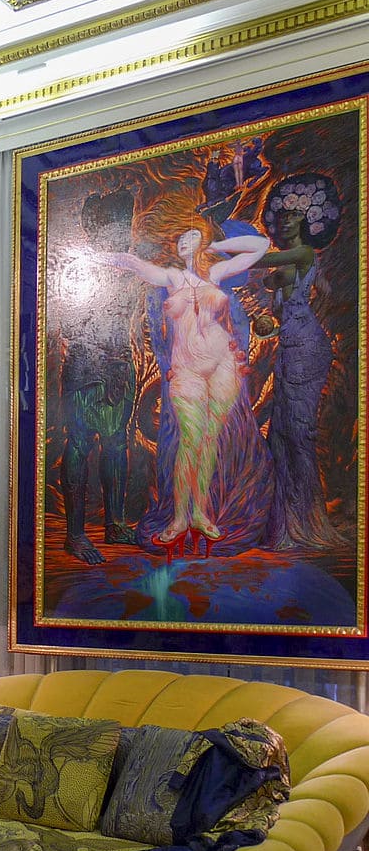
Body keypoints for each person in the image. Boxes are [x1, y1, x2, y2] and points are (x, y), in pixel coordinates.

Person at [98, 212, 269, 551]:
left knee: (209, 439)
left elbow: (260, 246)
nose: (184, 241)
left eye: (192, 236)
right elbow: (134, 264)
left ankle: (200, 515)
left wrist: (214, 245)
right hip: (187, 369)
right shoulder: (171, 277)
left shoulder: (216, 273)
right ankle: (179, 517)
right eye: (180, 238)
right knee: (190, 440)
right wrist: (96, 257)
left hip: (222, 365)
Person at [256, 173, 346, 550]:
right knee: (279, 436)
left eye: (295, 214)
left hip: (307, 349)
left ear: (306, 221)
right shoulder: (283, 271)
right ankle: (285, 525)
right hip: (288, 348)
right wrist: (266, 326)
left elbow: (262, 259)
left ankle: (309, 522)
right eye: (284, 215)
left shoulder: (305, 254)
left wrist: (232, 246)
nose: (287, 220)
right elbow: (279, 317)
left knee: (298, 435)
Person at [56, 189, 139, 565]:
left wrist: (119, 364)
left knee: (117, 445)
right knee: (78, 444)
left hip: (118, 371)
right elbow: (71, 326)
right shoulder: (79, 272)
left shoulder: (127, 273)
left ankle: (115, 524)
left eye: (125, 229)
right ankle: (75, 534)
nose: (123, 237)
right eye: (116, 230)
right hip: (86, 372)